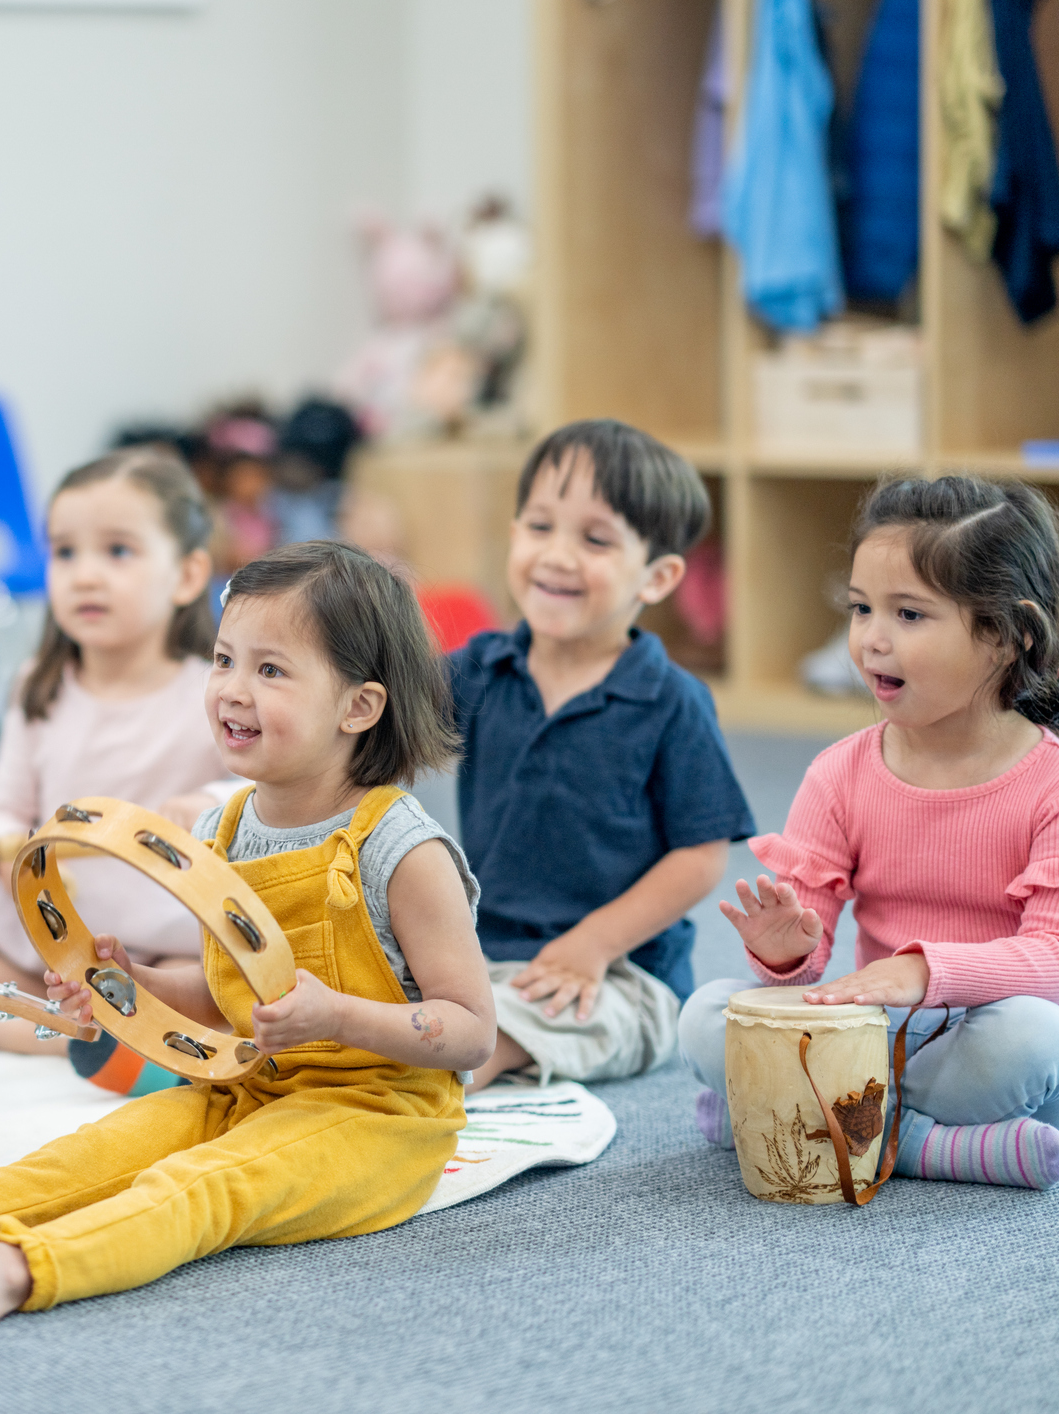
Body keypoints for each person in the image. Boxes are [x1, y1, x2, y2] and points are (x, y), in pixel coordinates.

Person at [0, 540, 493, 1327]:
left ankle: (13, 1270)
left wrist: (337, 1018)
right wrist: (136, 987)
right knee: (94, 1152)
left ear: (358, 707)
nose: (231, 688)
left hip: (378, 1119)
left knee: (199, 1186)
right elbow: (228, 996)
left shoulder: (403, 849)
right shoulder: (221, 828)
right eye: (224, 659)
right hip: (246, 1085)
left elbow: (469, 1030)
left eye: (269, 670)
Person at [682, 476, 1059, 1188]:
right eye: (859, 609)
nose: (869, 640)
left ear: (1011, 637)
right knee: (706, 1014)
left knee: (1031, 1039)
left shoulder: (1048, 780)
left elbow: (1050, 955)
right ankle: (925, 1143)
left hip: (988, 1035)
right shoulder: (838, 773)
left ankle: (803, 1121)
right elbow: (807, 961)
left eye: (909, 615)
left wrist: (923, 972)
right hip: (875, 1028)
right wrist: (787, 953)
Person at [0, 446, 229, 1056]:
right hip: (45, 942)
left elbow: (266, 798)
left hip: (163, 947)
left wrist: (209, 803)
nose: (84, 574)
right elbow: (4, 806)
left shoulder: (213, 689)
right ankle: (94, 1041)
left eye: (118, 551)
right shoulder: (39, 685)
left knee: (214, 991)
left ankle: (108, 1032)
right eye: (65, 552)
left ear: (188, 576)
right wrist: (4, 846)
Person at [451, 421, 755, 1091]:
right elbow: (377, 723)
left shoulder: (671, 700)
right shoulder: (479, 668)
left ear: (657, 576)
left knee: (499, 1032)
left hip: (620, 971)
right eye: (538, 527)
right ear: (513, 536)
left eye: (593, 539)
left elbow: (699, 856)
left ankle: (450, 1071)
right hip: (477, 950)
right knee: (372, 992)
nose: (556, 556)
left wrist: (593, 944)